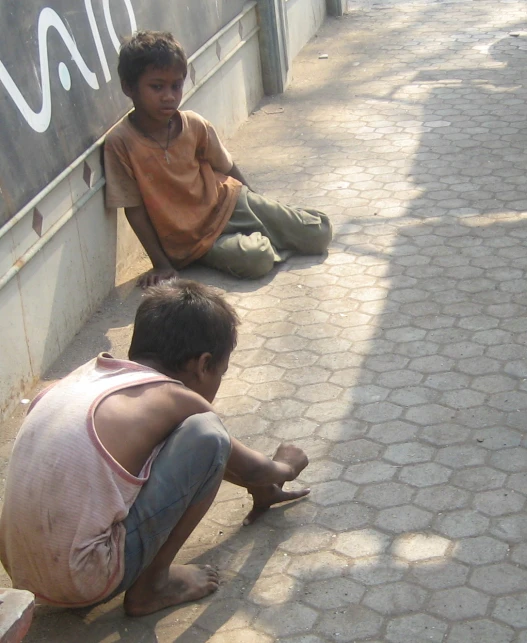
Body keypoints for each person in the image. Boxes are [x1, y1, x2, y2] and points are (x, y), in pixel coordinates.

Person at [0, 280, 310, 616]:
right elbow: (240, 462)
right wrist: (286, 467)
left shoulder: (79, 381)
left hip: (21, 571)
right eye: (220, 371)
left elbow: (206, 468)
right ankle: (152, 586)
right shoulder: (174, 398)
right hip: (82, 579)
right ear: (203, 364)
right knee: (207, 434)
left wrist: (260, 488)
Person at [104, 31, 332, 288]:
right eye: (157, 87)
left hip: (231, 202)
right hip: (195, 239)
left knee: (319, 233)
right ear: (128, 87)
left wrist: (259, 202)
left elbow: (226, 166)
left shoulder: (193, 124)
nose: (168, 96)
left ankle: (275, 227)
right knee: (257, 260)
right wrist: (162, 264)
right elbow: (133, 210)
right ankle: (270, 237)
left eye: (176, 86)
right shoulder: (120, 143)